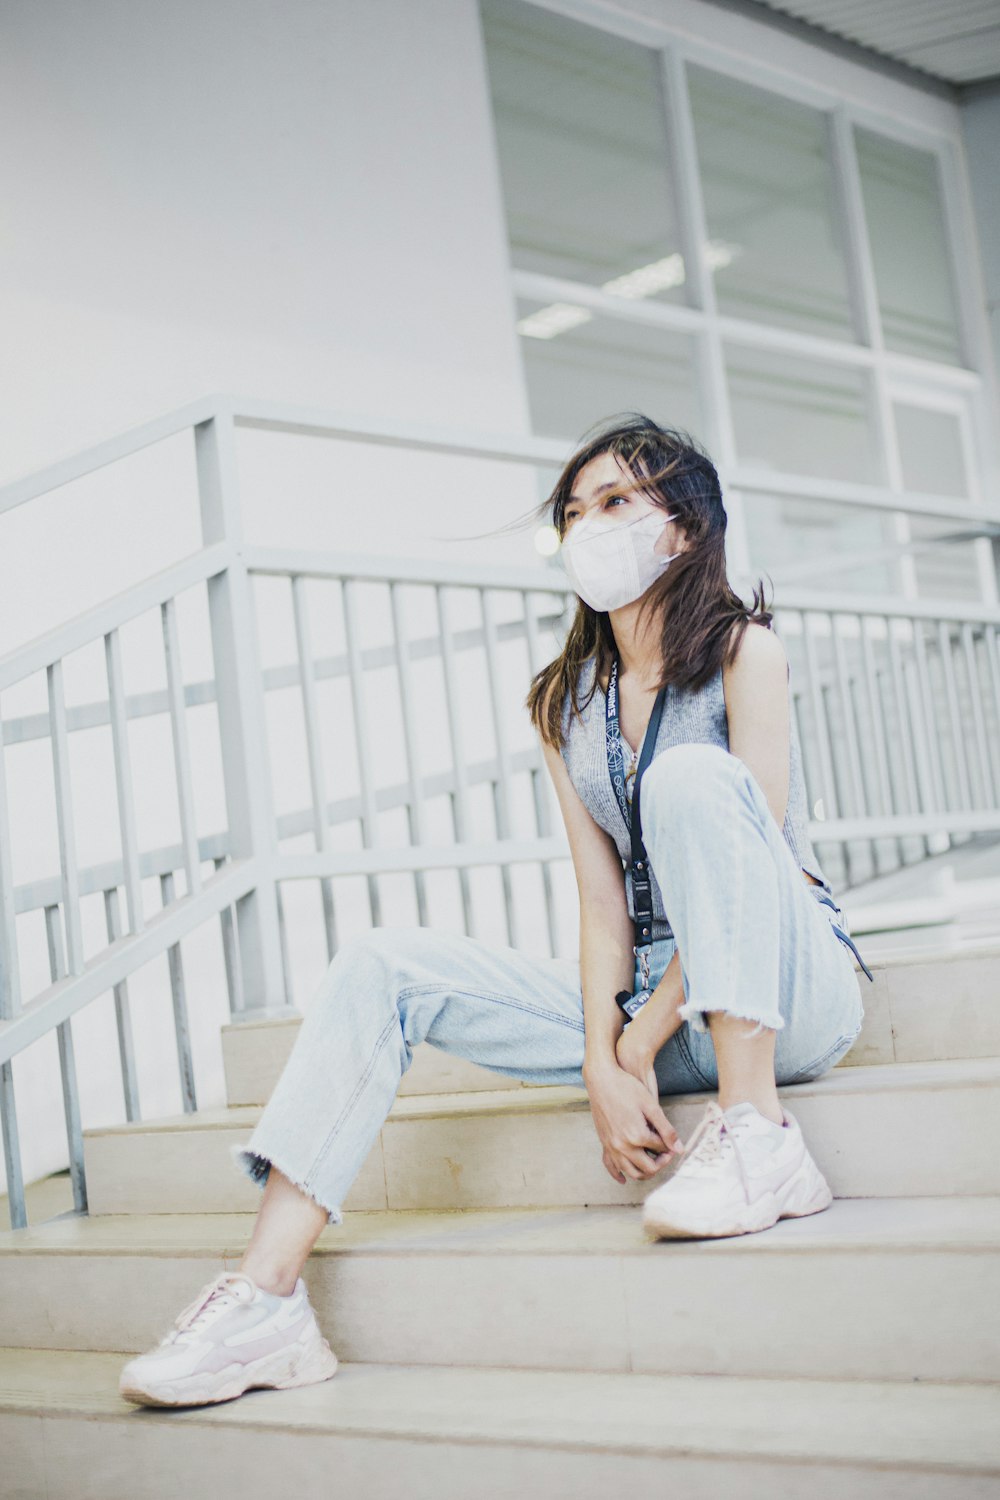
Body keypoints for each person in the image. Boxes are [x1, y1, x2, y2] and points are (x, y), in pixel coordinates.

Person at [119, 414, 872, 1410]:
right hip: (654, 997)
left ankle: (758, 1131)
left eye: (614, 503)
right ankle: (265, 1302)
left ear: (683, 526)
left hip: (782, 983)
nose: (586, 525)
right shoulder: (566, 700)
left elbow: (759, 868)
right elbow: (601, 902)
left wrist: (634, 1049)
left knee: (693, 779)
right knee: (385, 963)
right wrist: (604, 1053)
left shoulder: (746, 652)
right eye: (572, 510)